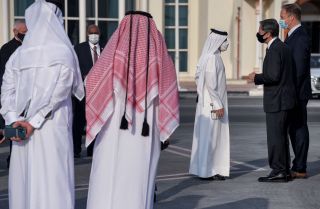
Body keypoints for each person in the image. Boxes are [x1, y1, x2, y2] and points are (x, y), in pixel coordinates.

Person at [85, 11, 179, 209]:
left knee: (110, 174)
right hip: (146, 131)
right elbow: (169, 94)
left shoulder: (112, 55)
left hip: (113, 129)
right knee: (139, 176)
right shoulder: (159, 56)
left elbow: (90, 82)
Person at [0, 0, 84, 208]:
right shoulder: (64, 52)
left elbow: (6, 91)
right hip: (50, 127)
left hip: (20, 129)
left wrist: (14, 121)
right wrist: (34, 122)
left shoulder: (18, 55)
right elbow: (59, 94)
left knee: (24, 180)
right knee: (53, 179)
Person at [247, 19, 296, 183]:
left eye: (260, 31)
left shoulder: (275, 49)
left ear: (267, 33)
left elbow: (273, 76)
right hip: (285, 100)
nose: (259, 34)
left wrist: (256, 77)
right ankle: (285, 170)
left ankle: (278, 171)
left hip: (277, 101)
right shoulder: (284, 47)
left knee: (276, 138)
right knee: (282, 137)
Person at [189, 28, 230, 180]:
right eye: (225, 41)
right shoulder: (212, 58)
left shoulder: (212, 56)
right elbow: (211, 84)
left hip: (209, 103)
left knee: (213, 137)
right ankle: (207, 171)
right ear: (218, 42)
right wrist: (218, 104)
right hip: (212, 105)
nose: (227, 44)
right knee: (210, 137)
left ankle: (212, 169)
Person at [280, 3, 311, 179]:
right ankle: (298, 165)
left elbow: (298, 70)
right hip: (294, 92)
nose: (281, 20)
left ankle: (300, 167)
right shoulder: (292, 35)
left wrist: (290, 92)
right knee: (294, 129)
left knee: (298, 129)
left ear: (291, 17)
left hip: (297, 93)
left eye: (282, 16)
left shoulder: (299, 37)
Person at [0, 20, 27, 168]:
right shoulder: (7, 49)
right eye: (23, 32)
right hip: (12, 96)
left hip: (26, 96)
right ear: (15, 32)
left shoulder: (29, 46)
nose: (25, 35)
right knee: (13, 131)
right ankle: (13, 160)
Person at [73, 24, 103, 158]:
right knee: (79, 120)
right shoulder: (79, 49)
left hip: (99, 92)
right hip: (83, 91)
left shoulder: (105, 48)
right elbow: (74, 68)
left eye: (96, 33)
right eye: (91, 33)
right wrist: (83, 76)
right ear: (87, 34)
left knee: (95, 120)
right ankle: (76, 149)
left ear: (99, 34)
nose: (94, 35)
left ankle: (92, 149)